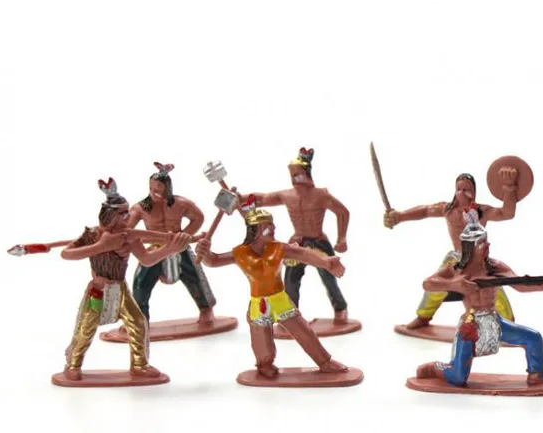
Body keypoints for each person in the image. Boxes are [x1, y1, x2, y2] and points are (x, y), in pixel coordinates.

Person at [195, 195, 349, 378]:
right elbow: (214, 261)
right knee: (261, 339)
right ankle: (264, 364)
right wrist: (204, 252)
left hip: (280, 300)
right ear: (256, 229)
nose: (273, 228)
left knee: (303, 331)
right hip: (258, 303)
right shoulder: (240, 253)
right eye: (268, 225)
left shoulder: (279, 248)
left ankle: (325, 362)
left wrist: (326, 262)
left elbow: (303, 254)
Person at [416, 206, 543, 387]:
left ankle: (537, 374)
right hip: (471, 325)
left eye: (486, 241)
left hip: (495, 321)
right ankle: (434, 368)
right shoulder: (456, 270)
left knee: (533, 338)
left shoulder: (495, 267)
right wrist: (453, 284)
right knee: (457, 378)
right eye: (480, 243)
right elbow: (428, 283)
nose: (487, 245)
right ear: (469, 245)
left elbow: (520, 285)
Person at [60, 178, 190, 381]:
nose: (127, 217)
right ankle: (73, 364)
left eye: (127, 212)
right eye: (123, 213)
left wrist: (170, 249)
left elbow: (146, 259)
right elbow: (66, 254)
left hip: (120, 289)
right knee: (86, 326)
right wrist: (100, 247)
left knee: (138, 322)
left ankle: (139, 365)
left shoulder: (129, 236)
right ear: (111, 215)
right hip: (98, 289)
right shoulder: (93, 234)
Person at [384, 168, 519, 328]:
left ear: (474, 192)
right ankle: (423, 317)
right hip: (456, 258)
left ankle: (509, 324)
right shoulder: (448, 210)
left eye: (466, 189)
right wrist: (400, 216)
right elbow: (425, 210)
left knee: (494, 290)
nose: (462, 193)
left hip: (479, 261)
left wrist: (509, 188)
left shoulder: (481, 211)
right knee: (435, 287)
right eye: (459, 189)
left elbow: (506, 213)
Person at [252, 148, 351, 324]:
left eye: (298, 174)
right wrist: (240, 199)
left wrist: (341, 238)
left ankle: (340, 308)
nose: (295, 178)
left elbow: (342, 212)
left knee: (329, 276)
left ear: (307, 173)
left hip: (318, 241)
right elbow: (262, 198)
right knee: (290, 279)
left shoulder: (321, 195)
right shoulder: (287, 195)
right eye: (292, 175)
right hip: (297, 242)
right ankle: (290, 314)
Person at [128, 162, 216, 324]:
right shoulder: (140, 208)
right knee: (140, 283)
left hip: (180, 247)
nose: (154, 192)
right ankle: (140, 320)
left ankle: (206, 310)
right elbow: (127, 232)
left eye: (158, 188)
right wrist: (149, 239)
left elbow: (198, 218)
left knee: (196, 277)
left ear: (167, 188)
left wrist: (184, 236)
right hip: (155, 250)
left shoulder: (181, 203)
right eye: (151, 188)